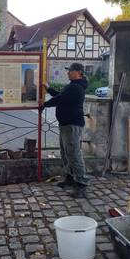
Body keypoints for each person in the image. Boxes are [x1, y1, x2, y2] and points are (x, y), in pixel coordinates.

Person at [40, 62, 89, 198]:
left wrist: (44, 104)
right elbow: (60, 95)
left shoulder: (76, 87)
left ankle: (82, 185)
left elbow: (60, 99)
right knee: (65, 153)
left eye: (70, 71)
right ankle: (70, 177)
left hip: (72, 125)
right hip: (66, 124)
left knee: (74, 154)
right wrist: (49, 89)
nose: (68, 73)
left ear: (78, 72)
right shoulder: (73, 86)